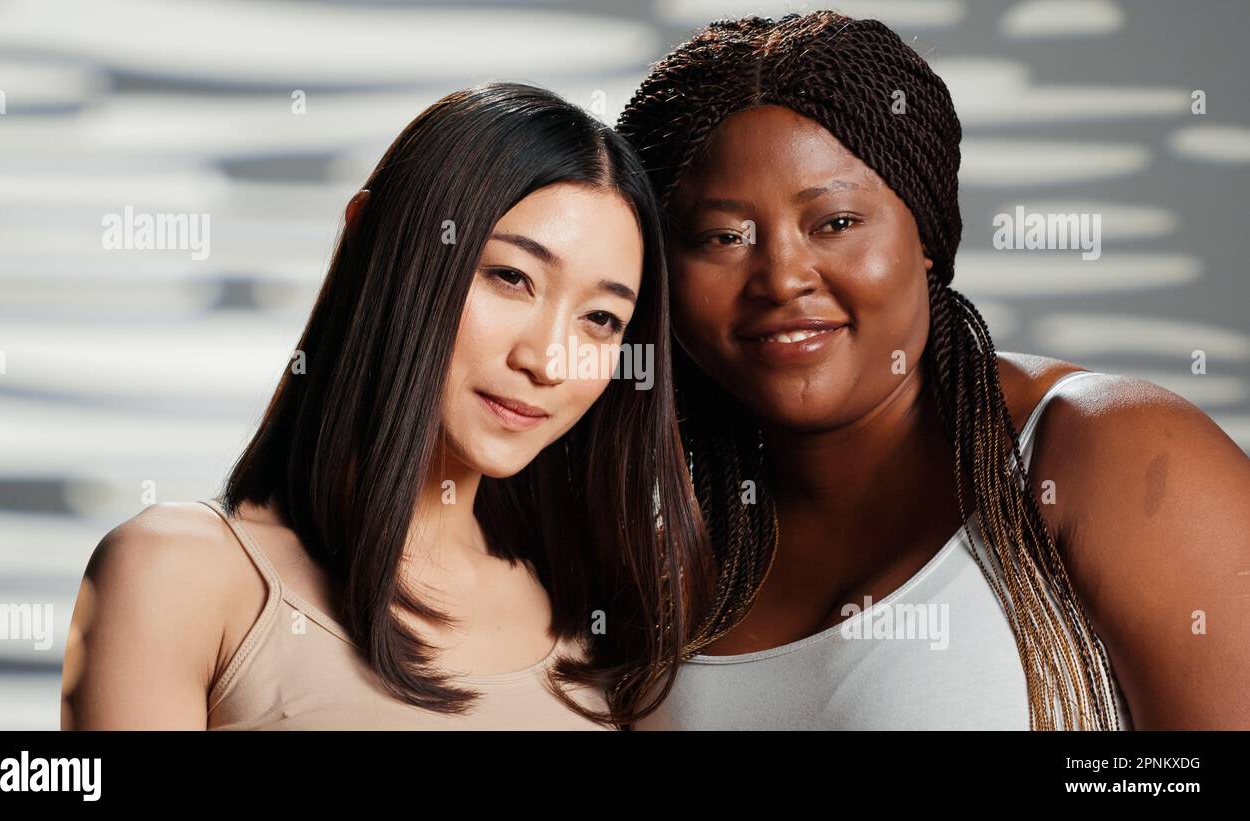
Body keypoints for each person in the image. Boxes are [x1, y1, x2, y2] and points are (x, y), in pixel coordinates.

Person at [616, 11, 1250, 729]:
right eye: (722, 236)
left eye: (836, 223)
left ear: (925, 234)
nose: (782, 278)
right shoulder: (652, 547)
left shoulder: (1105, 449)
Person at [61, 82, 711, 730]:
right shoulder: (179, 572)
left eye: (600, 318)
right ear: (369, 239)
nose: (546, 359)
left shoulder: (611, 608)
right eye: (511, 277)